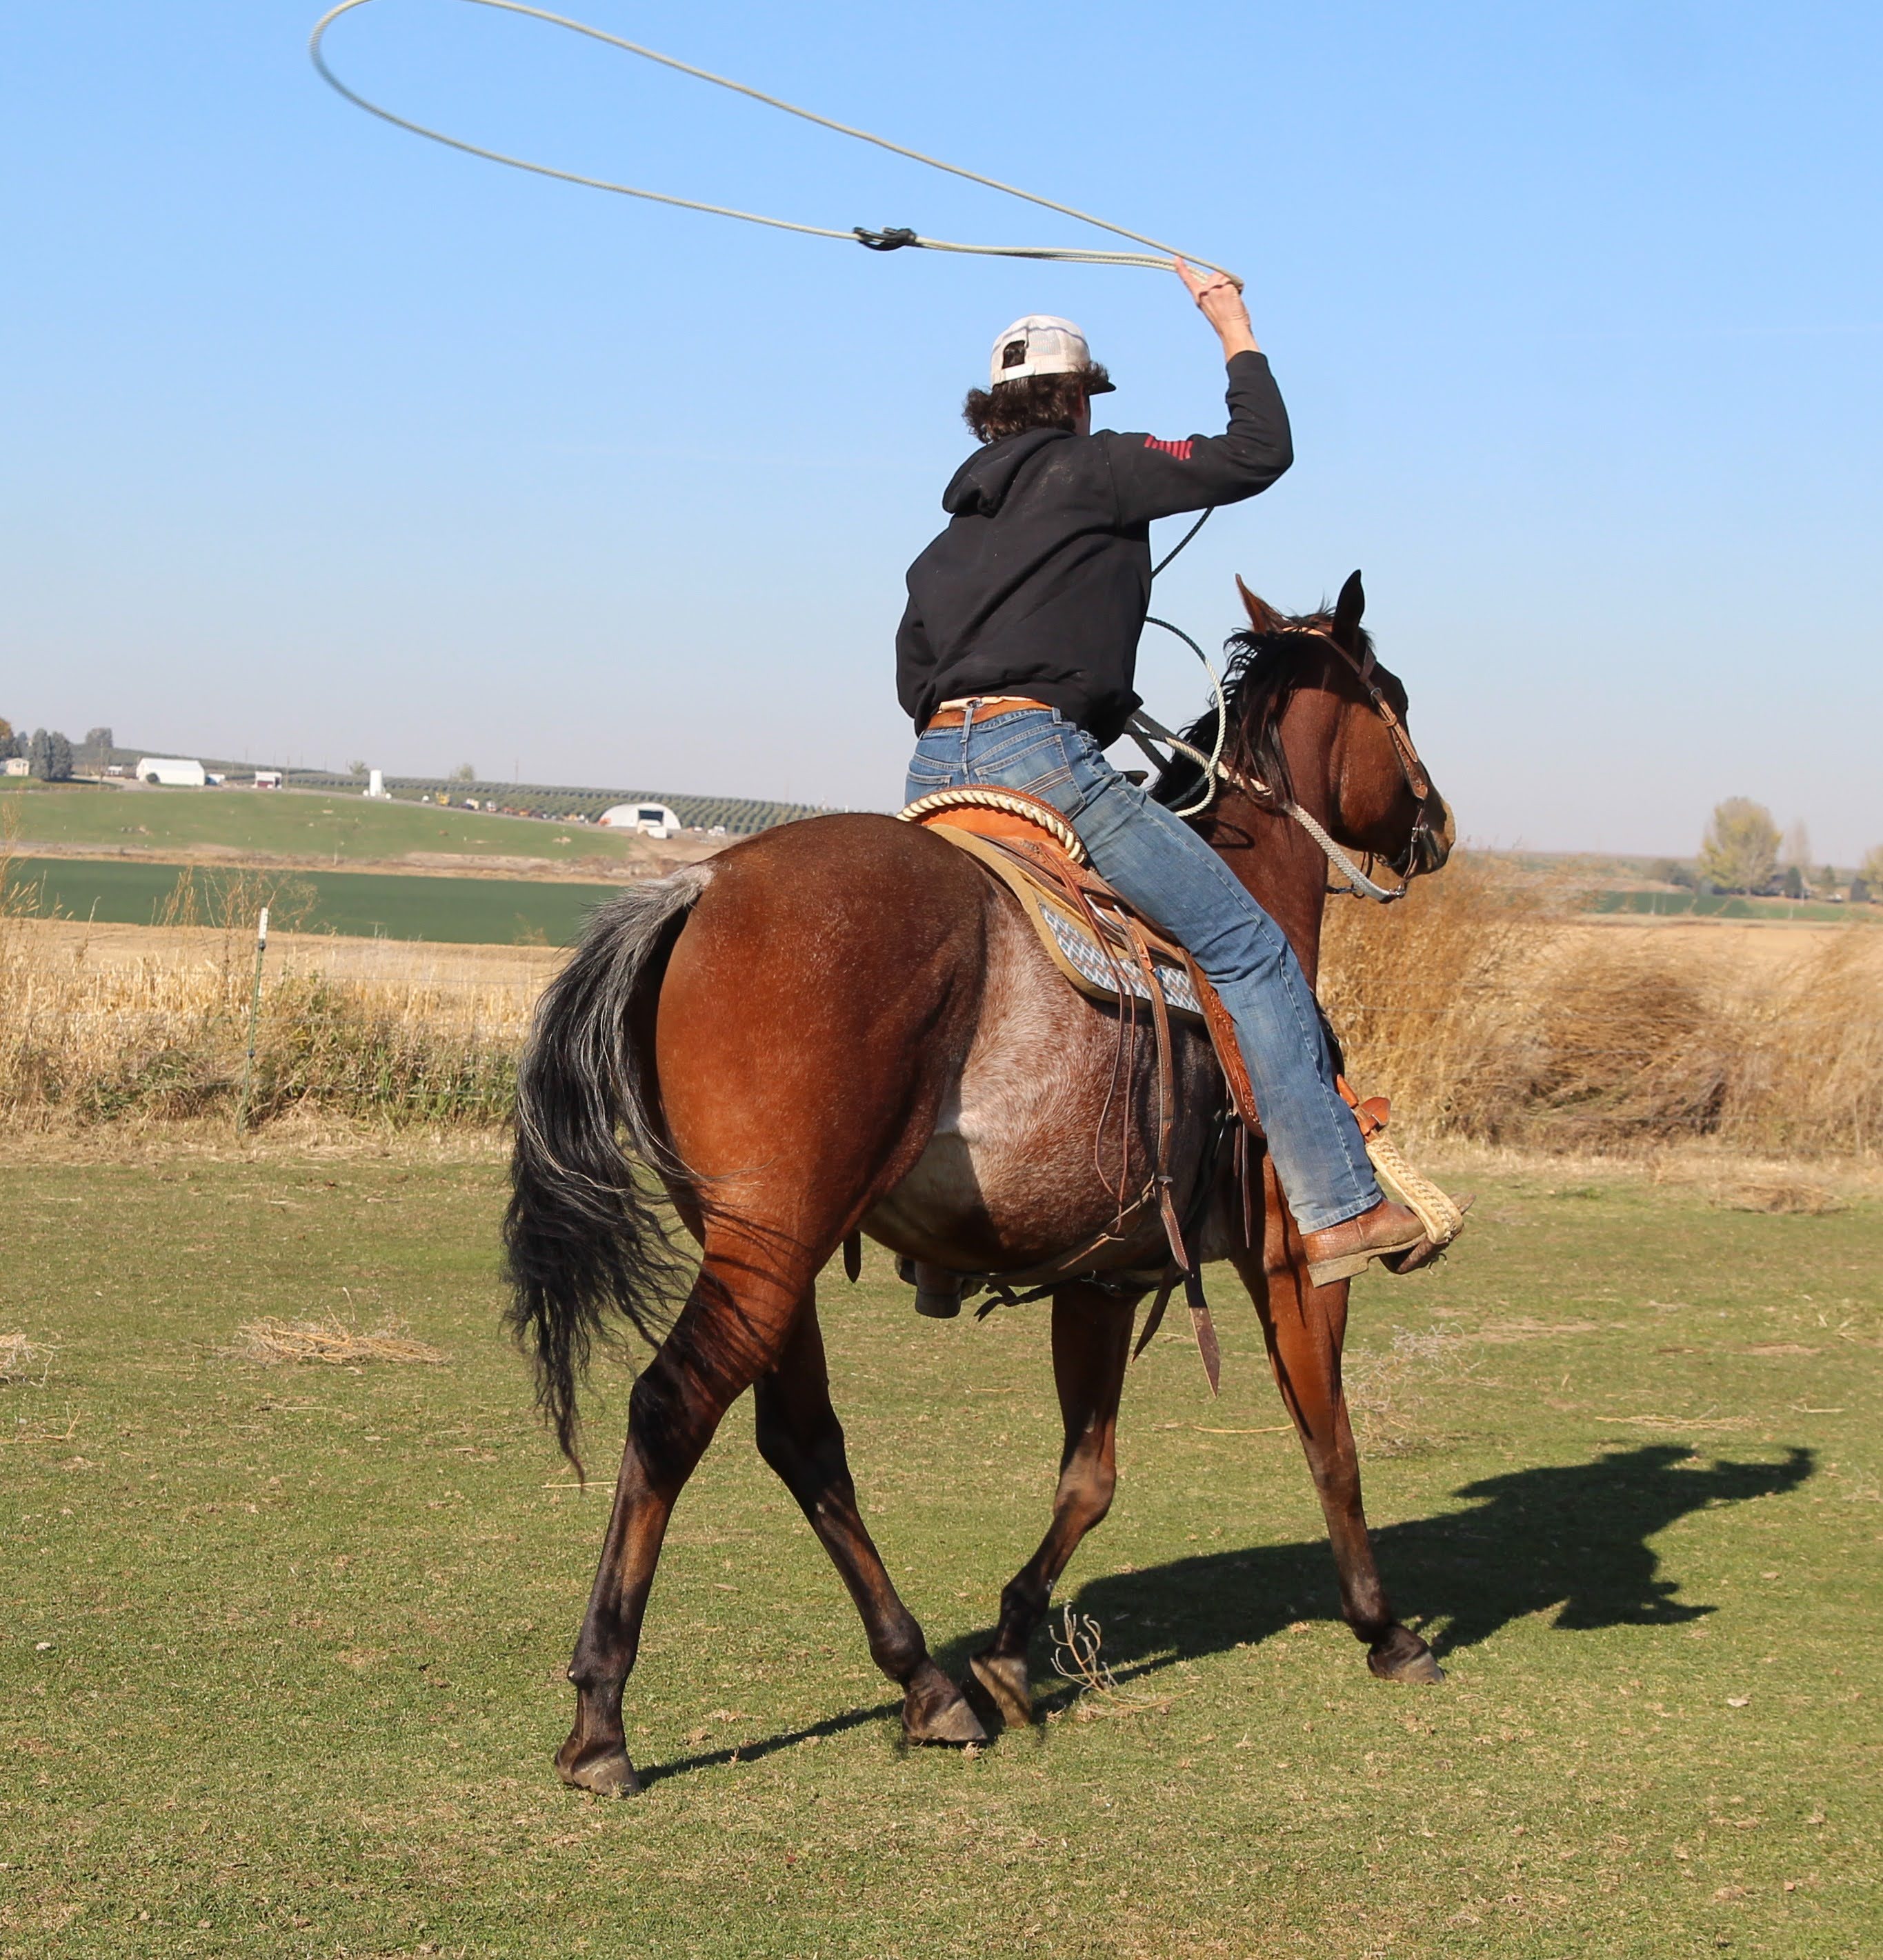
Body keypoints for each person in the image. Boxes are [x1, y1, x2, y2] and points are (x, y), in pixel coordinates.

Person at [896, 261, 1426, 1286]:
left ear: (990, 411)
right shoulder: (1098, 467)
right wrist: (1231, 323)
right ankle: (1338, 1204)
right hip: (1040, 759)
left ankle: (938, 1255)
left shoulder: (946, 540)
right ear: (1076, 400)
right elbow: (1257, 452)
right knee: (1251, 950)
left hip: (935, 771)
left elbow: (915, 677)